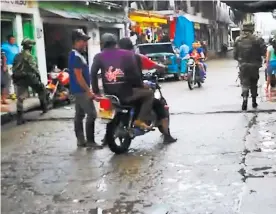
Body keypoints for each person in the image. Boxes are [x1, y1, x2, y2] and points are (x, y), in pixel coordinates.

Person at [117, 37, 177, 143]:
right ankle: (166, 135)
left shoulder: (112, 59)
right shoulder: (136, 57)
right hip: (132, 92)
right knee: (158, 104)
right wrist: (162, 68)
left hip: (115, 92)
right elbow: (152, 65)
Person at [91, 33, 154, 130]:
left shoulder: (98, 56)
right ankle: (140, 120)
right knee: (149, 94)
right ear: (115, 44)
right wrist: (141, 85)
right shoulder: (127, 54)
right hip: (126, 94)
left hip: (108, 94)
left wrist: (96, 92)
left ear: (102, 44)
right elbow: (134, 73)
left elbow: (93, 73)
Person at [68, 29, 103, 148]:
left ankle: (81, 140)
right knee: (92, 114)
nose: (85, 44)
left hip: (78, 90)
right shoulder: (76, 56)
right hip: (81, 90)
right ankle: (90, 141)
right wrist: (89, 91)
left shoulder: (77, 55)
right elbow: (79, 77)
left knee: (79, 115)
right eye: (83, 41)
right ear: (77, 41)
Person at [12, 38, 48, 125]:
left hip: (19, 77)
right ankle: (44, 108)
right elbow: (34, 68)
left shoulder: (17, 56)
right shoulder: (30, 56)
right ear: (30, 47)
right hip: (29, 77)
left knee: (20, 98)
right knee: (41, 89)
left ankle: (19, 118)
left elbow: (13, 68)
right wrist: (39, 77)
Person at [233, 23, 266, 110]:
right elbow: (263, 52)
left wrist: (240, 61)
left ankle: (244, 100)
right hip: (254, 66)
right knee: (254, 83)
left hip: (243, 66)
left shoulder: (238, 40)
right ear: (252, 29)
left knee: (244, 83)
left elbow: (234, 55)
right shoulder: (258, 39)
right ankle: (254, 101)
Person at [1, 35, 19, 100]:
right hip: (9, 65)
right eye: (12, 39)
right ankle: (12, 94)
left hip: (16, 65)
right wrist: (4, 65)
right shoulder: (4, 46)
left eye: (14, 39)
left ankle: (17, 93)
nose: (13, 41)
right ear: (8, 40)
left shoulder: (16, 46)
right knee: (10, 79)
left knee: (16, 78)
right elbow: (3, 55)